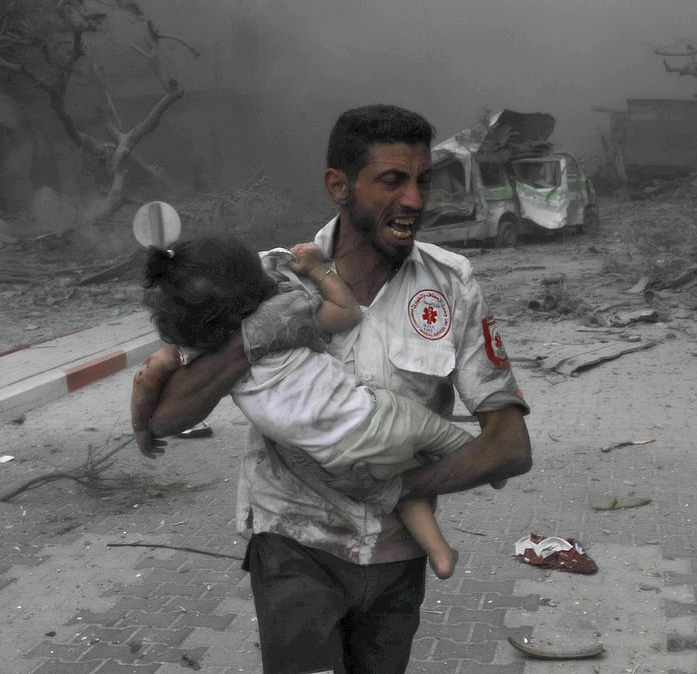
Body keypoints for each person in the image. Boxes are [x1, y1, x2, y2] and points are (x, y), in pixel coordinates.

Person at [133, 103, 532, 674]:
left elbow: (511, 448)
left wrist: (396, 491)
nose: (415, 201)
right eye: (392, 181)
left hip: (398, 560)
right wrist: (252, 338)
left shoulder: (452, 286)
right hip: (293, 545)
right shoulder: (263, 281)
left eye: (423, 182)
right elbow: (167, 417)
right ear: (338, 186)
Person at [132, 235, 481, 580]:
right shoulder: (285, 307)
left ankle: (440, 552)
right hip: (371, 420)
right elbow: (347, 313)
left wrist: (140, 428)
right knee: (431, 433)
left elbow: (146, 380)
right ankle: (485, 461)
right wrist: (316, 269)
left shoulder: (197, 349)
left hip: (327, 459)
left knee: (397, 485)